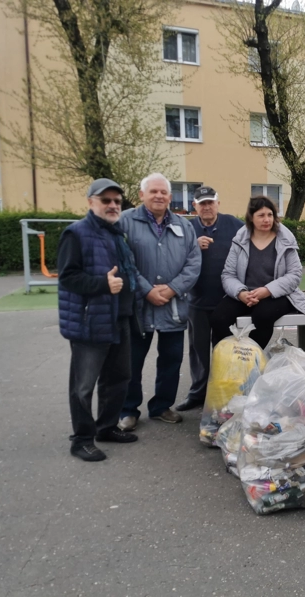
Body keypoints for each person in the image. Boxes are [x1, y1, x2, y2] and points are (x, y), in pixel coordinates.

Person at [57, 178, 140, 461]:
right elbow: (68, 277)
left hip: (120, 318)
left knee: (118, 378)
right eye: (106, 200)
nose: (113, 205)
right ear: (91, 202)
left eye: (117, 201)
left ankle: (106, 427)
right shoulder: (76, 233)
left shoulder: (116, 233)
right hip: (90, 322)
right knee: (83, 386)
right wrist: (103, 285)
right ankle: (81, 440)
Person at [117, 173, 201, 432]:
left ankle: (161, 406)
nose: (159, 196)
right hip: (138, 307)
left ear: (170, 196)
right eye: (153, 191)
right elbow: (122, 260)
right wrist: (146, 290)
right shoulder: (125, 221)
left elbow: (194, 262)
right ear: (142, 195)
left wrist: (173, 288)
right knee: (131, 361)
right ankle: (128, 410)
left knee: (171, 360)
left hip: (173, 306)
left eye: (163, 192)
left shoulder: (184, 225)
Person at [175, 186, 243, 412]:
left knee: (225, 351)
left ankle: (224, 394)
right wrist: (193, 246)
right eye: (202, 203)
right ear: (194, 206)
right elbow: (172, 258)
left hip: (227, 301)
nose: (206, 207)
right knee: (198, 351)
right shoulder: (185, 228)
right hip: (196, 300)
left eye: (210, 202)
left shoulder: (234, 225)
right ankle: (198, 393)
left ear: (218, 204)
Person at [211, 195, 305, 348]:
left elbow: (294, 275)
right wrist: (241, 293)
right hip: (247, 294)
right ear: (251, 217)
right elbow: (228, 274)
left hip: (278, 295)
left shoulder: (285, 240)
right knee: (219, 318)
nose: (267, 219)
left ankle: (251, 356)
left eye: (270, 215)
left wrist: (267, 290)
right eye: (261, 215)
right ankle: (228, 355)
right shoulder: (240, 240)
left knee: (262, 316)